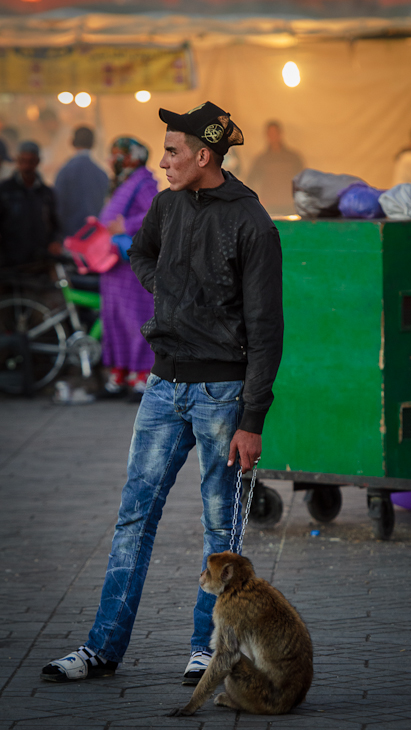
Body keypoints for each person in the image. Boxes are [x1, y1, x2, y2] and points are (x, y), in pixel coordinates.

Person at [40, 101, 284, 686]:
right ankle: (102, 648)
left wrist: (253, 419)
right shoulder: (166, 204)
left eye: (172, 151)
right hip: (161, 387)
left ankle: (207, 649)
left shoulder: (252, 223)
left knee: (218, 530)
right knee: (133, 517)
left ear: (204, 155)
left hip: (223, 395)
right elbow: (140, 253)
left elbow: (268, 331)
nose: (163, 161)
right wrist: (166, 291)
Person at [97, 137, 158, 402]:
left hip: (132, 268)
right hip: (113, 267)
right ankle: (118, 376)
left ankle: (140, 378)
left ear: (133, 157)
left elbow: (156, 214)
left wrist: (126, 225)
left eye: (118, 154)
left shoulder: (144, 183)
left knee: (136, 321)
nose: (113, 160)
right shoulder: (126, 181)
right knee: (114, 322)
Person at [0, 141, 61, 269]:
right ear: (18, 160)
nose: (27, 166)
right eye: (23, 160)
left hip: (39, 262)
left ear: (37, 162)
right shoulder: (5, 190)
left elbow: (55, 224)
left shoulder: (46, 193)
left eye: (31, 161)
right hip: (10, 264)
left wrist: (55, 242)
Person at [54, 126, 109, 238]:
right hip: (96, 238)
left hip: (70, 237)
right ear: (94, 143)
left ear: (72, 142)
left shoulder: (64, 172)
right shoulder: (102, 174)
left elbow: (57, 207)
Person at [247, 120, 304, 216]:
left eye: (275, 133)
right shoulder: (261, 159)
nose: (273, 136)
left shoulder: (293, 157)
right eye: (270, 133)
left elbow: (302, 180)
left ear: (280, 134)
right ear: (267, 135)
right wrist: (258, 199)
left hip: (290, 205)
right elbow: (251, 181)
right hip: (269, 206)